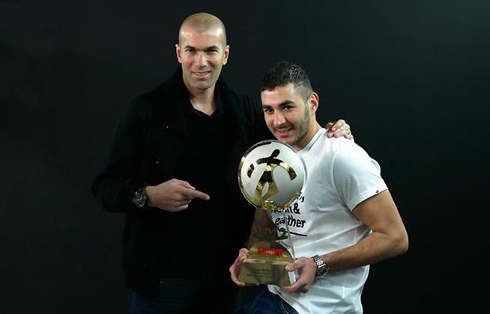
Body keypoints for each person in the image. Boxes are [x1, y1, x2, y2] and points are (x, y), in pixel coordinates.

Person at [91, 13, 352, 313]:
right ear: (179, 53)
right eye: (191, 50)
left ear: (225, 55)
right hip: (162, 283)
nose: (201, 62)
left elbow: (290, 136)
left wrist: (331, 130)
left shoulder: (244, 111)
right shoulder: (143, 112)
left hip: (227, 280)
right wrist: (147, 195)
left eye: (211, 51)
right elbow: (104, 187)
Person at [230, 61, 409, 314]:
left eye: (287, 107)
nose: (278, 120)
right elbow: (266, 225)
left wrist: (319, 264)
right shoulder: (274, 156)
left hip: (320, 307)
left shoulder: (342, 156)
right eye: (268, 110)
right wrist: (252, 259)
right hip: (273, 297)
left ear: (312, 103)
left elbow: (395, 238)